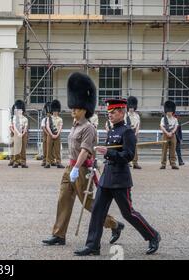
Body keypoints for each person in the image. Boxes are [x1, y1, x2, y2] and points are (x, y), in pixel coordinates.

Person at [42, 72, 123, 246]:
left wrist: (77, 168)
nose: (73, 110)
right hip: (70, 167)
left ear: (84, 109)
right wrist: (71, 168)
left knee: (88, 204)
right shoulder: (75, 125)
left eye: (76, 108)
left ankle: (114, 224)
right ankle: (59, 235)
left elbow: (85, 151)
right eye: (73, 108)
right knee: (63, 199)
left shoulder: (89, 128)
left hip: (82, 169)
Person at [75, 98, 160, 256]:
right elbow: (109, 155)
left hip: (120, 179)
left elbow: (128, 155)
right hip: (107, 178)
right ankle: (93, 245)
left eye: (113, 112)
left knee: (128, 213)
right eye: (108, 113)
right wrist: (98, 161)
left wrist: (109, 153)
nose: (110, 115)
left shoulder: (127, 132)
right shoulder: (112, 130)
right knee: (97, 211)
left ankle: (153, 235)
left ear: (122, 112)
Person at [160, 101, 179, 170]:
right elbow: (161, 126)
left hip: (173, 135)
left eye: (170, 111)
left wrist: (172, 132)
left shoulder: (175, 119)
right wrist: (167, 133)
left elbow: (176, 126)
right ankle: (163, 164)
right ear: (166, 111)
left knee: (173, 150)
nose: (169, 113)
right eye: (168, 111)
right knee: (164, 150)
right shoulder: (163, 119)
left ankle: (173, 163)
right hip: (165, 135)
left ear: (172, 112)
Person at [45, 100, 64, 169]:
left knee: (57, 150)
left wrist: (57, 134)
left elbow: (60, 127)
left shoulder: (60, 119)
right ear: (52, 111)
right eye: (54, 111)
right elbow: (47, 126)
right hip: (50, 135)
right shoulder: (49, 118)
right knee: (49, 149)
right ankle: (47, 162)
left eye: (56, 111)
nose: (55, 112)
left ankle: (58, 162)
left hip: (57, 135)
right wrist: (51, 134)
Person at [11, 100, 29, 168]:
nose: (19, 111)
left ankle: (23, 161)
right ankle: (16, 161)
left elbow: (25, 127)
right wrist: (18, 133)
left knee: (23, 148)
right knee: (16, 147)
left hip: (23, 134)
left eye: (20, 110)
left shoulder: (25, 119)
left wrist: (23, 133)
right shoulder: (15, 118)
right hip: (17, 133)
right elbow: (14, 126)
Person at [126, 96, 142, 169]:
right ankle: (127, 162)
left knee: (135, 148)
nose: (131, 109)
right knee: (127, 148)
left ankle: (135, 162)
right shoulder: (125, 115)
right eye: (130, 107)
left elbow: (138, 125)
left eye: (132, 107)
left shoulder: (137, 115)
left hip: (134, 132)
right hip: (127, 132)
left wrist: (136, 133)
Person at [41, 102, 52, 167]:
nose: (49, 114)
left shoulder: (52, 118)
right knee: (45, 147)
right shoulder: (44, 119)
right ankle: (44, 160)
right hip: (46, 134)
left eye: (49, 113)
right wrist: (48, 133)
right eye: (48, 113)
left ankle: (52, 160)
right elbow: (43, 127)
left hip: (52, 134)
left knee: (52, 148)